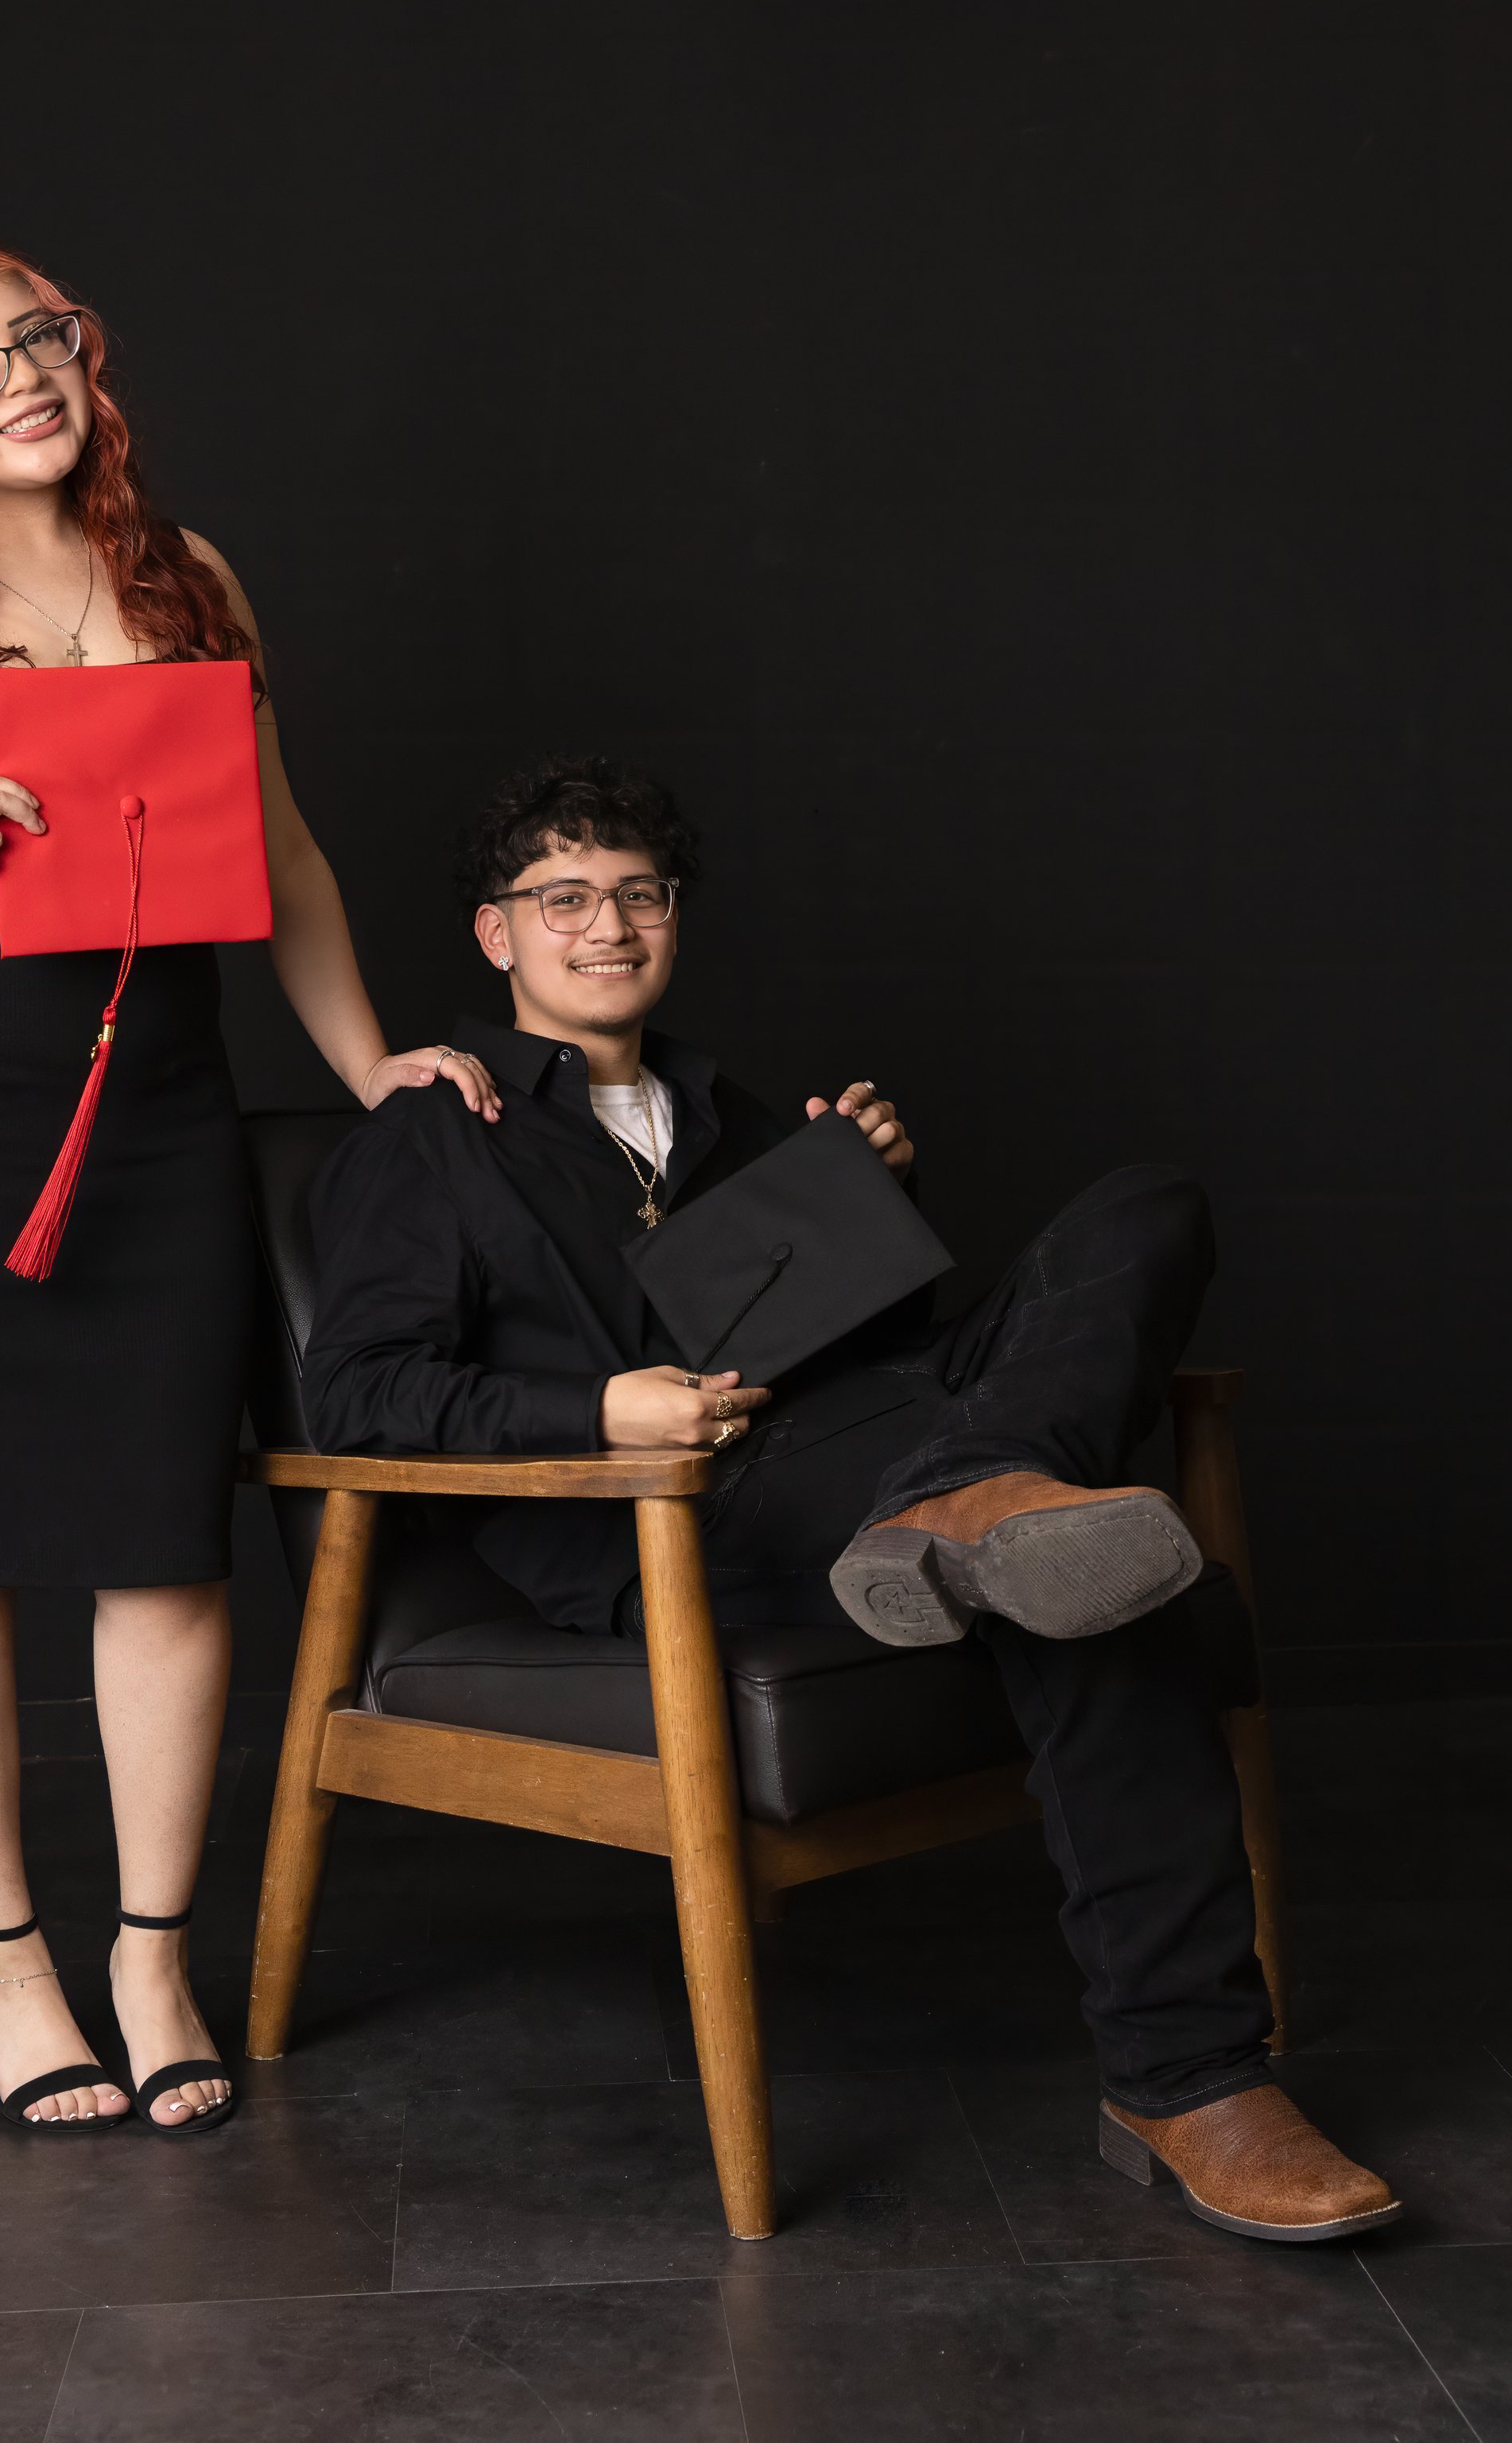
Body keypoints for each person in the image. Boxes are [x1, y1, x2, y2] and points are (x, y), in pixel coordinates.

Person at [300, 752, 1399, 2243]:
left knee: (1149, 1206)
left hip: (870, 1444)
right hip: (686, 1502)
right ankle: (1189, 2073)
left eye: (638, 893)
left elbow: (879, 1343)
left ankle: (974, 1500)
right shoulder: (433, 1130)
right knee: (1096, 1575)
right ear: (498, 934)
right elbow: (356, 1391)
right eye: (563, 897)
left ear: (673, 915)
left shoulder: (730, 1108)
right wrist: (600, 1407)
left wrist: (875, 1189)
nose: (607, 924)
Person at [0, 235, 499, 2136]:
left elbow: (288, 852)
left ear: (89, 358)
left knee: (164, 1531)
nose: (18, 374)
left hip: (160, 1114)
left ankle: (153, 1948)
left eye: (42, 335)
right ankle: (5, 1957)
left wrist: (365, 1061)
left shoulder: (189, 580)